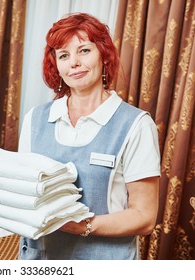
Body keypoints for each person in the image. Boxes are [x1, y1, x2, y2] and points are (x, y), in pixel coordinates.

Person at [18, 13, 160, 260]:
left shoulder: (135, 125)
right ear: (57, 66)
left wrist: (81, 225)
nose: (73, 62)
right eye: (63, 55)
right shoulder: (35, 119)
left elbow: (144, 217)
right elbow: (22, 190)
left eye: (84, 51)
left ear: (103, 55)